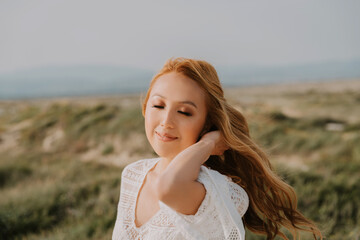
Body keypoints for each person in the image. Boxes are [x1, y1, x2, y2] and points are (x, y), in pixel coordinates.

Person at [112, 57, 322, 240]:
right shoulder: (133, 175)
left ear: (206, 124)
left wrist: (208, 143)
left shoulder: (218, 191)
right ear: (145, 108)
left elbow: (168, 188)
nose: (166, 121)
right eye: (158, 105)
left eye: (184, 112)